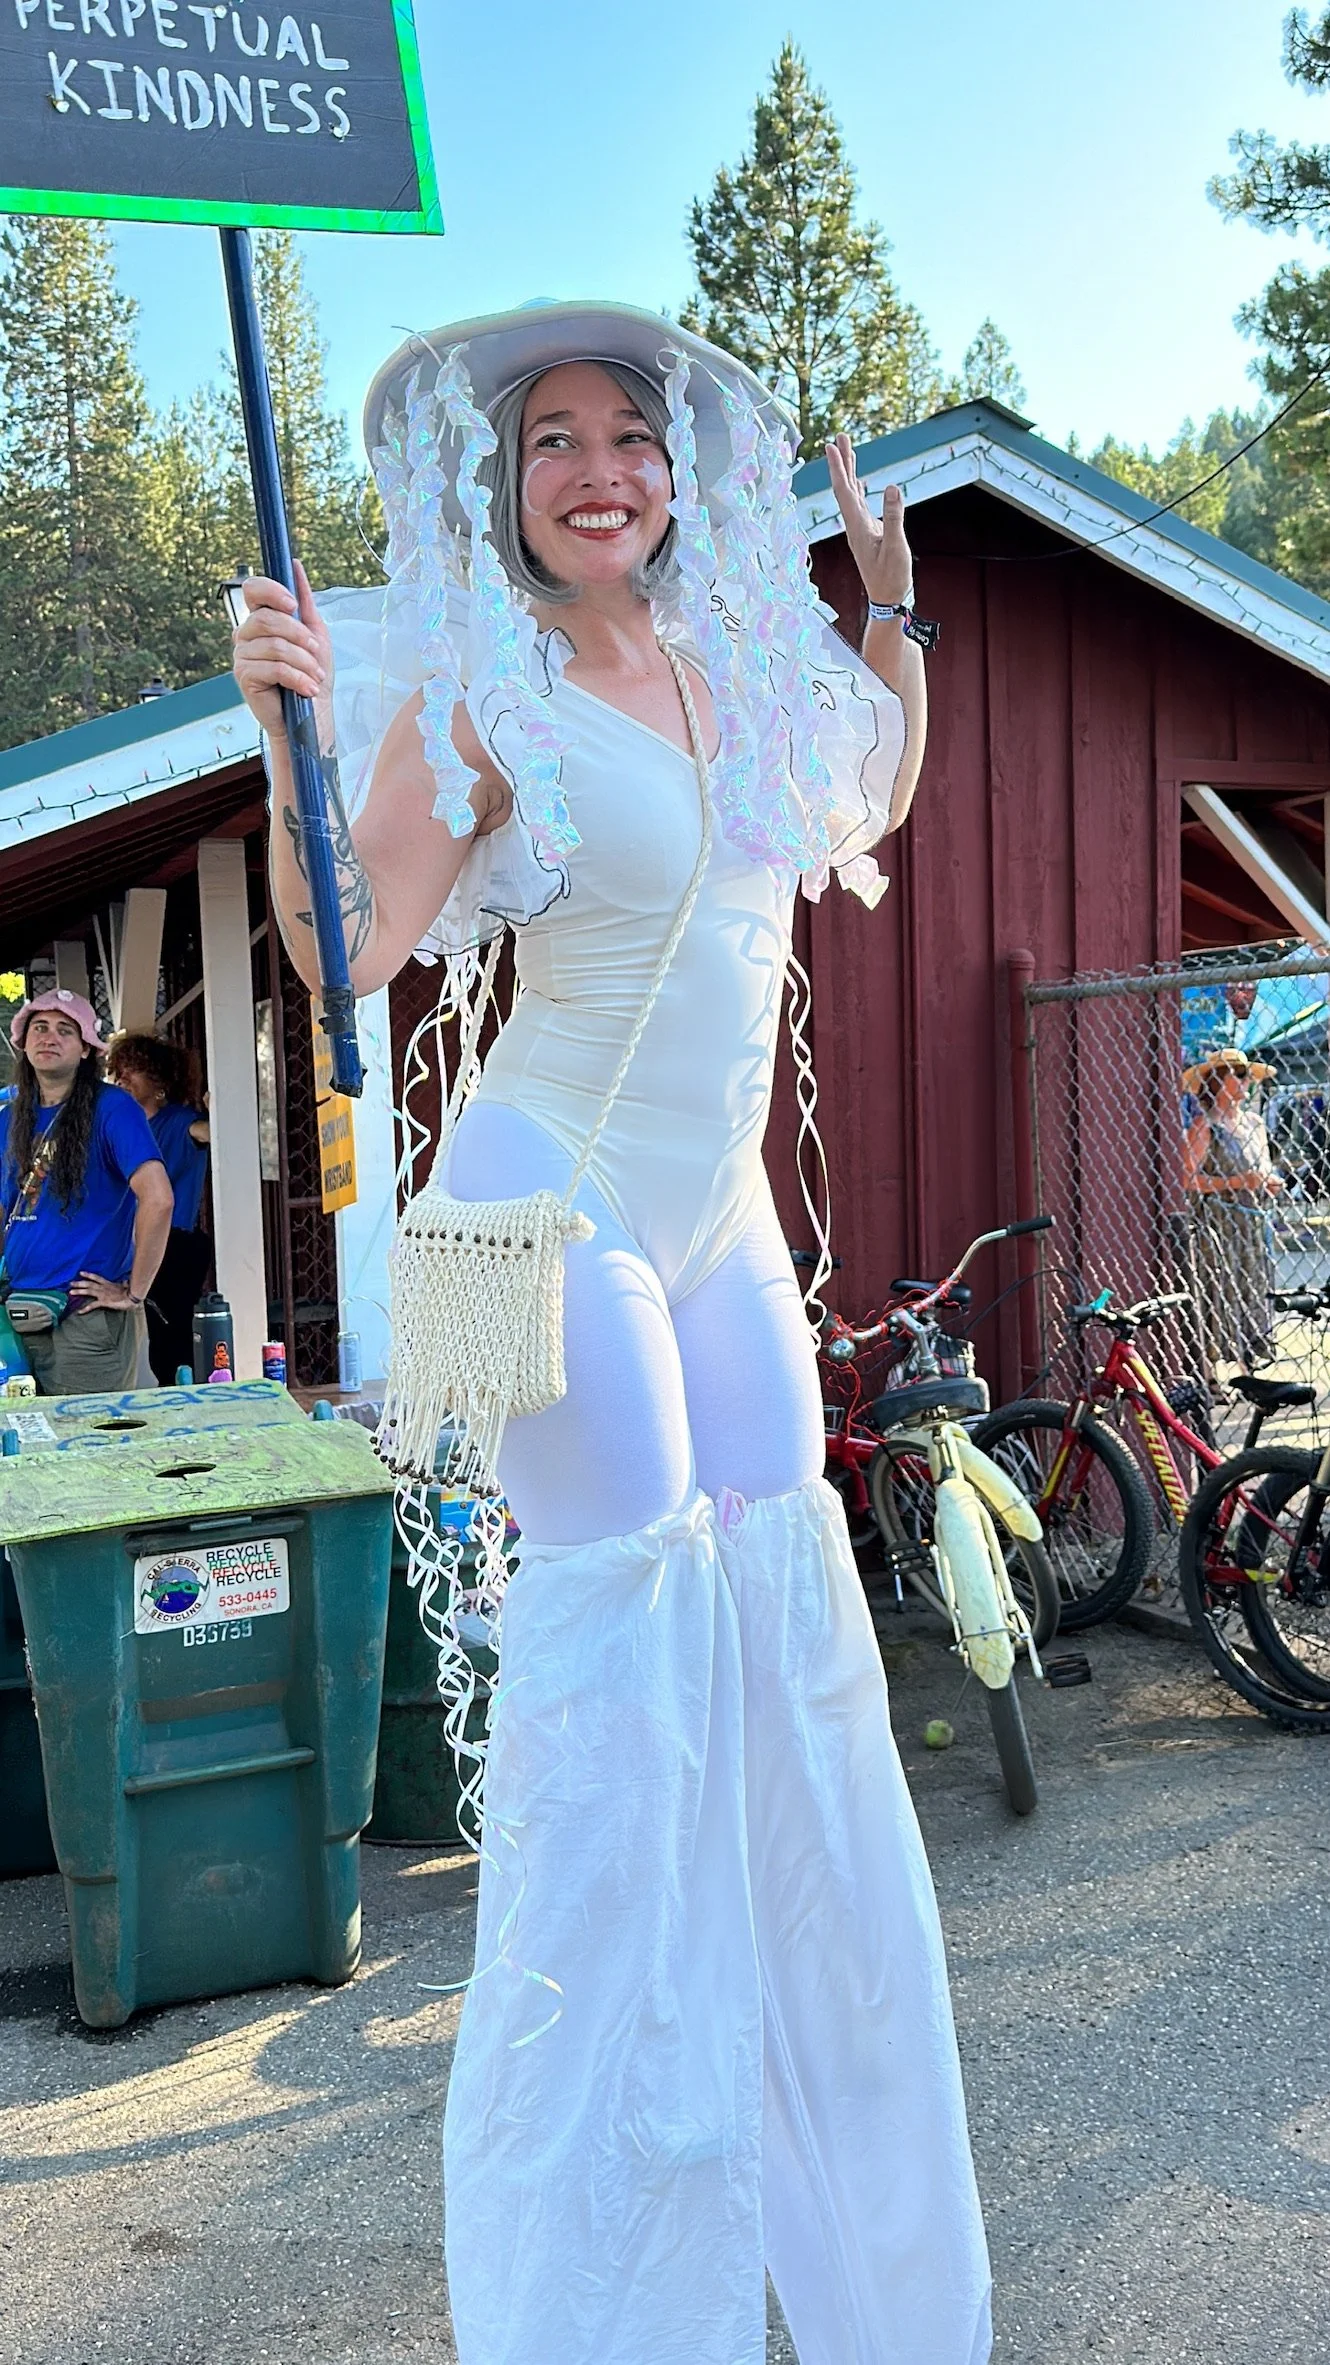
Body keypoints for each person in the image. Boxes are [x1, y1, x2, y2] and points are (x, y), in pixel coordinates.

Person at [234, 302, 991, 2365]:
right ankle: (603, 2307)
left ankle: (848, 2270)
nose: (597, 469)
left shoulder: (754, 672)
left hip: (718, 1217)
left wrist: (892, 604)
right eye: (553, 439)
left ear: (679, 476)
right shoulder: (485, 697)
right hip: (527, 1206)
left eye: (629, 435)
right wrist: (289, 741)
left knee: (790, 1684)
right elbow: (352, 949)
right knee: (623, 1712)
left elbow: (882, 784)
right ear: (508, 486)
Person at [0, 991, 173, 1395]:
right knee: (23, 1435)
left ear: (85, 1050)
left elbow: (159, 1198)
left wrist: (135, 1293)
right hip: (18, 1314)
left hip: (85, 1320)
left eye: (65, 1030)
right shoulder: (9, 1117)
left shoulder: (113, 1107)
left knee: (87, 1435)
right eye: (40, 1028)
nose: (49, 1037)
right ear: (23, 1042)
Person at [105, 1032, 212, 1385]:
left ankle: (183, 1398)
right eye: (119, 1070)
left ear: (160, 1081)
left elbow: (206, 1132)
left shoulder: (179, 1120)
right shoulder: (125, 1126)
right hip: (134, 1242)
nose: (122, 1078)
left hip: (173, 1243)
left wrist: (219, 1110)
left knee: (171, 1340)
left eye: (133, 1069)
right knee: (152, 1338)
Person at [1183, 1048, 1281, 1371]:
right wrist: (1237, 1182)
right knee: (1219, 1290)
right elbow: (1187, 1179)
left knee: (1252, 1286)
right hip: (1218, 1224)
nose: (1246, 1081)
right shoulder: (1205, 1126)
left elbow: (1262, 1169)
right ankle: (1211, 1371)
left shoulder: (1254, 1123)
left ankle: (1247, 1366)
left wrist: (1267, 1182)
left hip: (1252, 1223)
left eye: (1247, 1075)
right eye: (1238, 1075)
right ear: (1216, 1082)